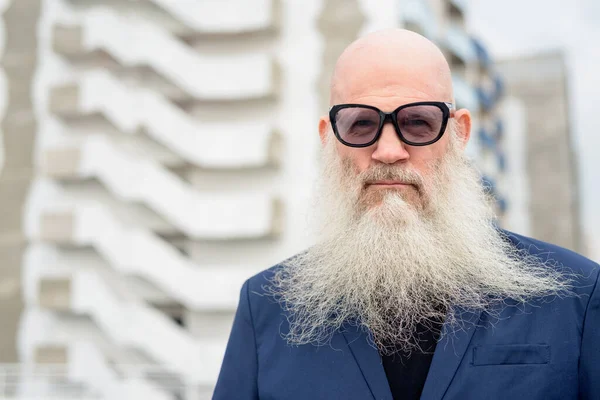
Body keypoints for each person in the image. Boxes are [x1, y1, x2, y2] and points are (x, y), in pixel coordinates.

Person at [212, 29, 599, 400]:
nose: (389, 151)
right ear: (329, 138)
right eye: (361, 124)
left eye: (417, 122)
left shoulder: (575, 295)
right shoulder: (265, 307)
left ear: (459, 134)